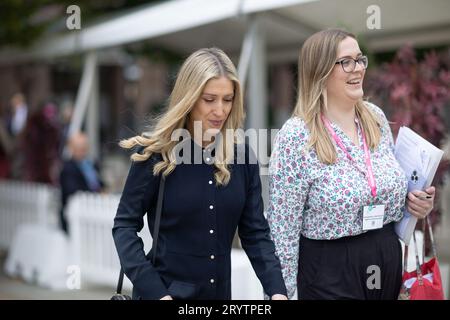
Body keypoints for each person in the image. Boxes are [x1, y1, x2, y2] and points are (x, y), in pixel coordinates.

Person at [267, 29, 435, 300]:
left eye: (360, 60)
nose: (357, 69)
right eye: (346, 62)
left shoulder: (376, 118)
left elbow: (385, 191)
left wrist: (417, 204)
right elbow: (282, 229)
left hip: (385, 259)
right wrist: (278, 295)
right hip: (330, 270)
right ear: (320, 71)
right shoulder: (297, 135)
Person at [112, 48, 288, 300]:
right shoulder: (154, 155)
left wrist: (277, 290)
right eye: (209, 99)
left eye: (227, 99)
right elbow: (124, 227)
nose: (220, 110)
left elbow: (255, 233)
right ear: (189, 98)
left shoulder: (243, 158)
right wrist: (155, 292)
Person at [60, 132, 103, 233]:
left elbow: (99, 183)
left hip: (94, 211)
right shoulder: (68, 168)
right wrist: (96, 194)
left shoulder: (91, 164)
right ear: (71, 148)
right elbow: (72, 190)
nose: (82, 150)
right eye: (79, 147)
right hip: (76, 215)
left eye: (84, 146)